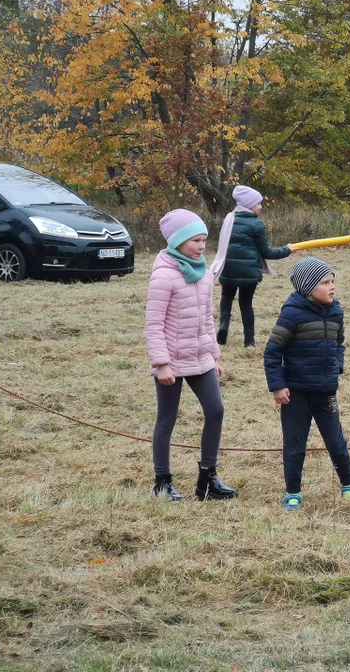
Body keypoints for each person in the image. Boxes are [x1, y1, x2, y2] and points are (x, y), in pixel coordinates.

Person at [145, 209, 237, 502]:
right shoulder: (164, 276)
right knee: (167, 420)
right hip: (170, 362)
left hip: (200, 358)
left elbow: (206, 320)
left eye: (204, 240)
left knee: (216, 410)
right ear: (177, 242)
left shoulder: (203, 274)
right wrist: (161, 364)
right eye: (195, 240)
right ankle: (162, 481)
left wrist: (214, 355)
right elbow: (153, 325)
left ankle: (207, 480)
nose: (201, 246)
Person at [264, 256, 350, 511]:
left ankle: (348, 483)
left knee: (336, 442)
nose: (332, 287)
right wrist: (277, 386)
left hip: (325, 391)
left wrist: (336, 366)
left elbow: (339, 343)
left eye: (333, 281)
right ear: (307, 288)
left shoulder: (336, 311)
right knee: (295, 445)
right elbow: (272, 352)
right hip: (296, 393)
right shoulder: (292, 315)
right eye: (325, 282)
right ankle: (293, 492)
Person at [210, 185, 292, 347]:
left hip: (228, 268)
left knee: (226, 298)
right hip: (249, 272)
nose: (261, 207)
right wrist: (287, 250)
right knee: (245, 304)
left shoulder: (229, 219)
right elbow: (267, 252)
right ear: (249, 205)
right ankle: (249, 341)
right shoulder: (256, 225)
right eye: (258, 203)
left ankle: (223, 326)